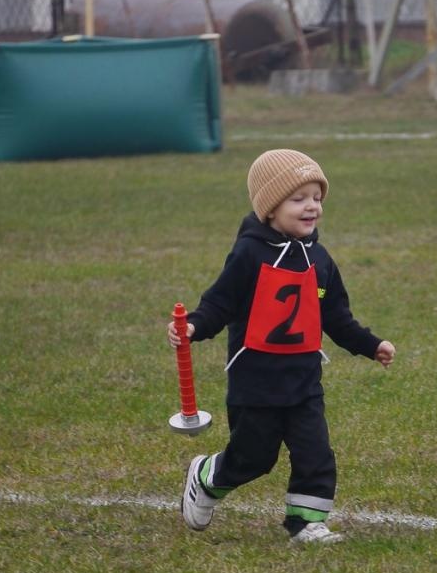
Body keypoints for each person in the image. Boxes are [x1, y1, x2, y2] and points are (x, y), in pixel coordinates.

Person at [167, 148, 395, 544]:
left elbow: (335, 316)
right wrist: (194, 327)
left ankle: (306, 523)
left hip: (304, 380)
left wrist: (370, 344)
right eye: (299, 199)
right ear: (270, 208)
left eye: (317, 198)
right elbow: (221, 301)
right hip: (255, 382)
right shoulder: (249, 253)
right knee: (254, 458)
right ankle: (207, 478)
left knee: (315, 452)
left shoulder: (319, 259)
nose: (312, 207)